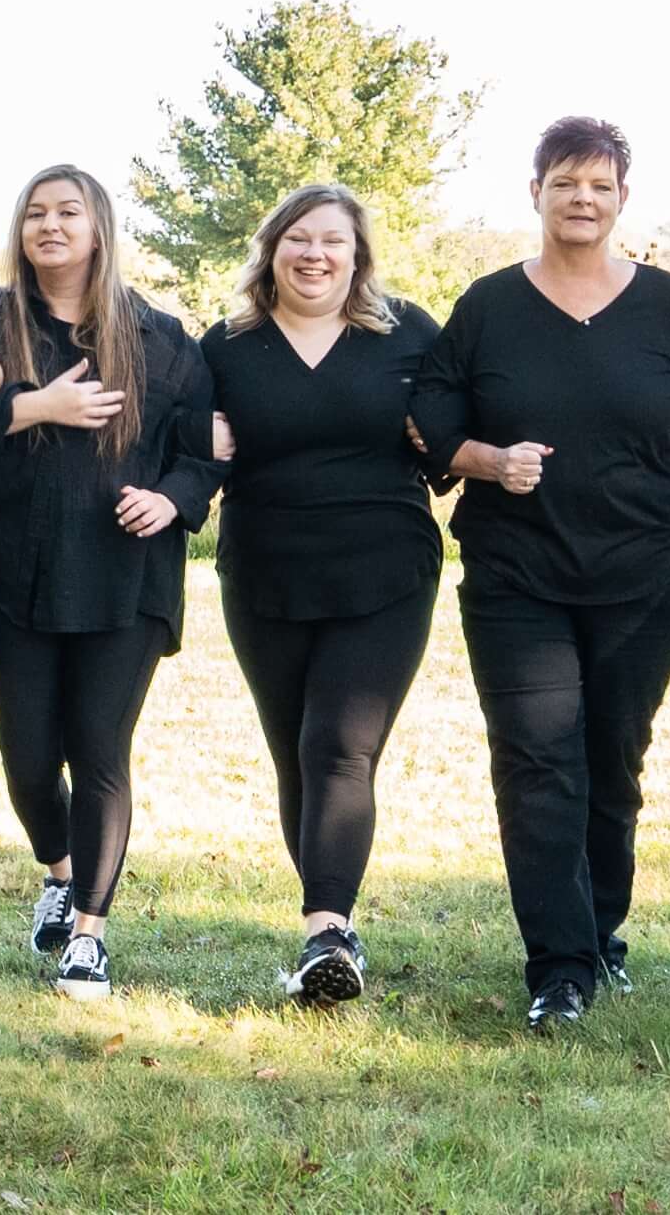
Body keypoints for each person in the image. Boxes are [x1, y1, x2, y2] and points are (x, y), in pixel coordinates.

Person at [413, 117, 670, 1033]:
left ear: (622, 199)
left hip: (643, 579)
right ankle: (558, 967)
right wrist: (484, 458)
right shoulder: (488, 306)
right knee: (537, 762)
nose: (581, 199)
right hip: (518, 577)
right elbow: (431, 413)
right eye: (564, 182)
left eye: (598, 185)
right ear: (535, 193)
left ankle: (600, 936)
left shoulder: (667, 304)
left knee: (610, 763)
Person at [0, 165, 220, 999]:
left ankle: (88, 934)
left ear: (99, 228)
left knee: (98, 751)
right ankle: (59, 871)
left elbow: (202, 454)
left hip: (123, 578)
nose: (49, 226)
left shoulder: (162, 337)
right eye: (35, 213)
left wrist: (170, 501)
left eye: (67, 212)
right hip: (10, 573)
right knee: (28, 758)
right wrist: (24, 401)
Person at [198, 186, 443, 1006]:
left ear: (357, 254)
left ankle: (326, 930)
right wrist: (197, 441)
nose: (314, 255)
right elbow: (182, 443)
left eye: (332, 241)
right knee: (294, 753)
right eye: (297, 239)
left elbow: (455, 430)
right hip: (265, 569)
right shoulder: (226, 346)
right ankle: (330, 929)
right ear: (270, 250)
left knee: (339, 745)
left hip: (385, 569)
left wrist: (438, 437)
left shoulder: (405, 333)